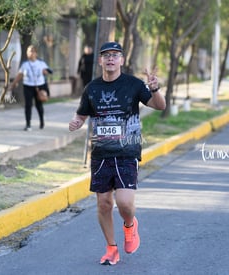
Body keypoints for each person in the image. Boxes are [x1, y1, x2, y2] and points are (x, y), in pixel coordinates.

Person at [69, 41, 166, 265]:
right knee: (104, 203)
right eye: (106, 55)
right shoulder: (92, 88)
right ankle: (111, 248)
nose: (110, 59)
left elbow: (159, 106)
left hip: (127, 151)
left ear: (121, 60)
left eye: (115, 55)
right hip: (101, 154)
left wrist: (154, 88)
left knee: (124, 204)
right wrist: (76, 122)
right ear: (101, 60)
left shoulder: (133, 84)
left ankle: (130, 225)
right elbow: (82, 114)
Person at [10, 45, 51, 131]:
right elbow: (20, 75)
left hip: (40, 86)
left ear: (36, 53)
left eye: (32, 51)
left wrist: (46, 71)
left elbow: (49, 71)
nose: (31, 53)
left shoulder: (41, 63)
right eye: (29, 51)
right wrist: (13, 84)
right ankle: (28, 125)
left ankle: (42, 122)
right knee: (28, 105)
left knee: (39, 105)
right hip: (28, 86)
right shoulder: (25, 64)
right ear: (27, 53)